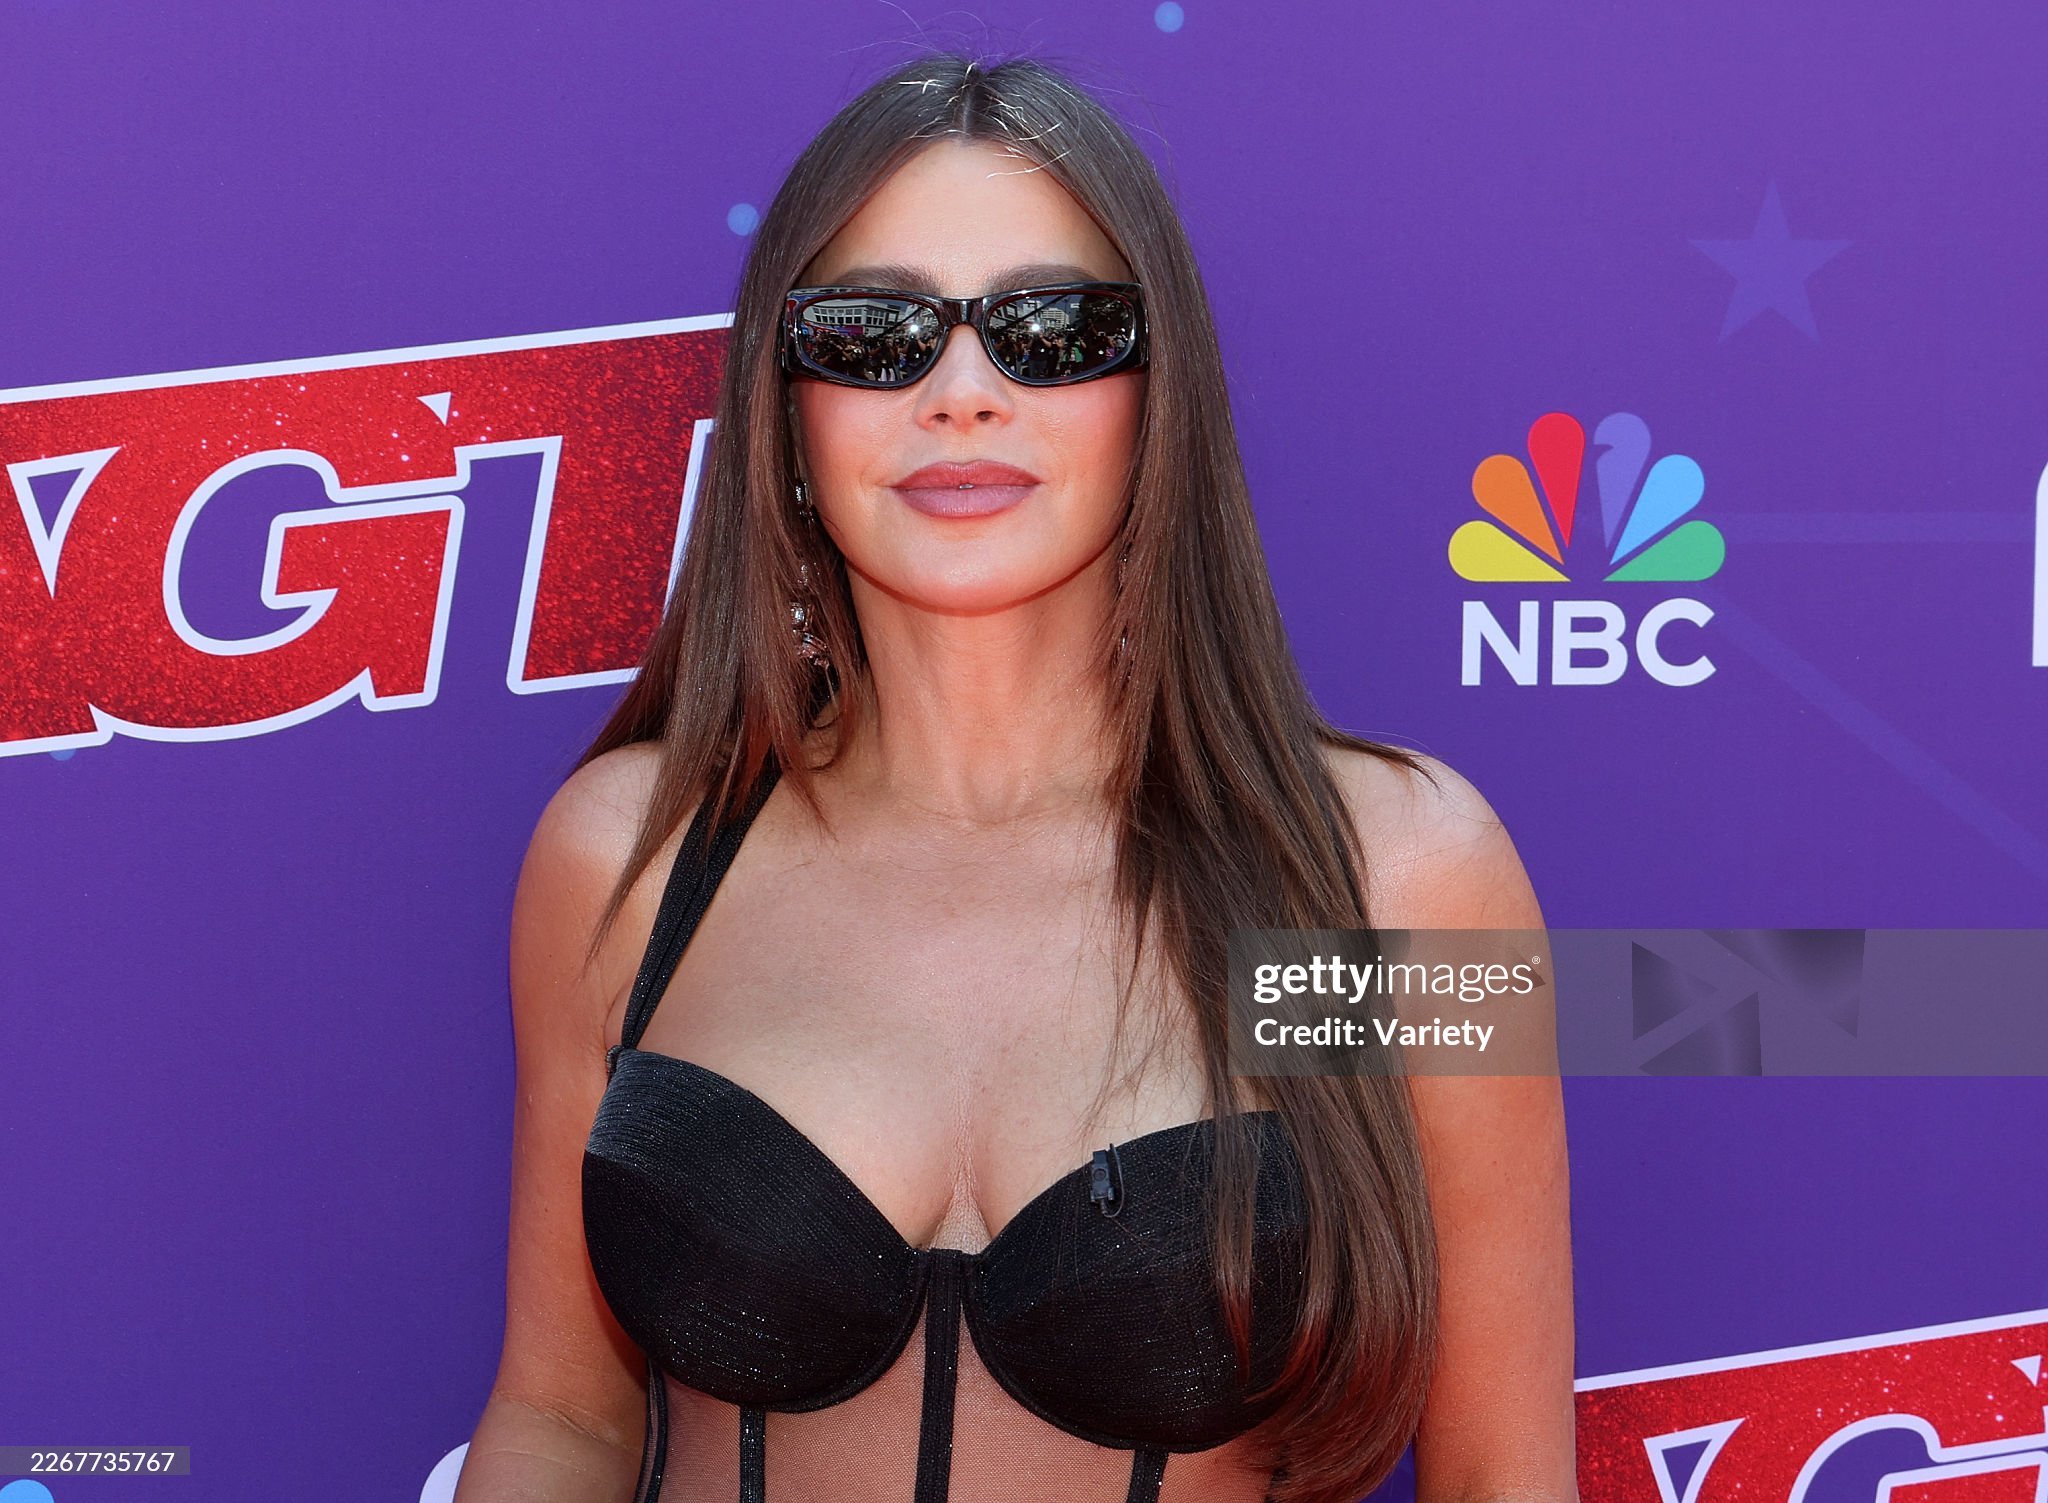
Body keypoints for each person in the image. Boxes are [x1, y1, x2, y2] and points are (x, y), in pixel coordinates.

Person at [456, 51, 1575, 1503]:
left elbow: (1499, 1478)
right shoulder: (638, 858)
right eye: (875, 334)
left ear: (1156, 398)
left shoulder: (1387, 883)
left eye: (1053, 331)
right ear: (787, 410)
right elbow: (565, 1419)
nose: (962, 394)